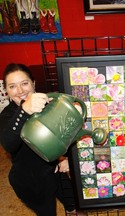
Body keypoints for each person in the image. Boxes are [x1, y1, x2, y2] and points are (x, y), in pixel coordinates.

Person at [0, 63, 78, 216]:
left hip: (56, 171)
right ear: (6, 91)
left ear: (33, 83)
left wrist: (64, 157)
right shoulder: (7, 116)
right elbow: (9, 144)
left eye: (24, 83)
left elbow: (68, 132)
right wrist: (24, 110)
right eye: (12, 86)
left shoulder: (51, 103)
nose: (21, 91)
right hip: (30, 180)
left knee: (75, 206)